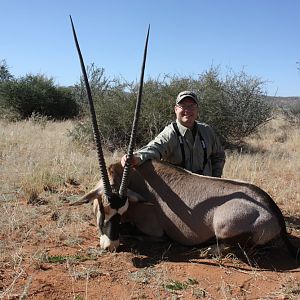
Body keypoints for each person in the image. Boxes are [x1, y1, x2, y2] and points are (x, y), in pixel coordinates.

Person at [121, 91, 225, 177]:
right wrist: (137, 157)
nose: (187, 110)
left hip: (208, 188)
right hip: (181, 192)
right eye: (183, 106)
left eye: (192, 106)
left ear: (197, 109)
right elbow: (155, 148)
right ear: (175, 109)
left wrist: (216, 179)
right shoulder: (170, 133)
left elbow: (219, 155)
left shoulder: (207, 131)